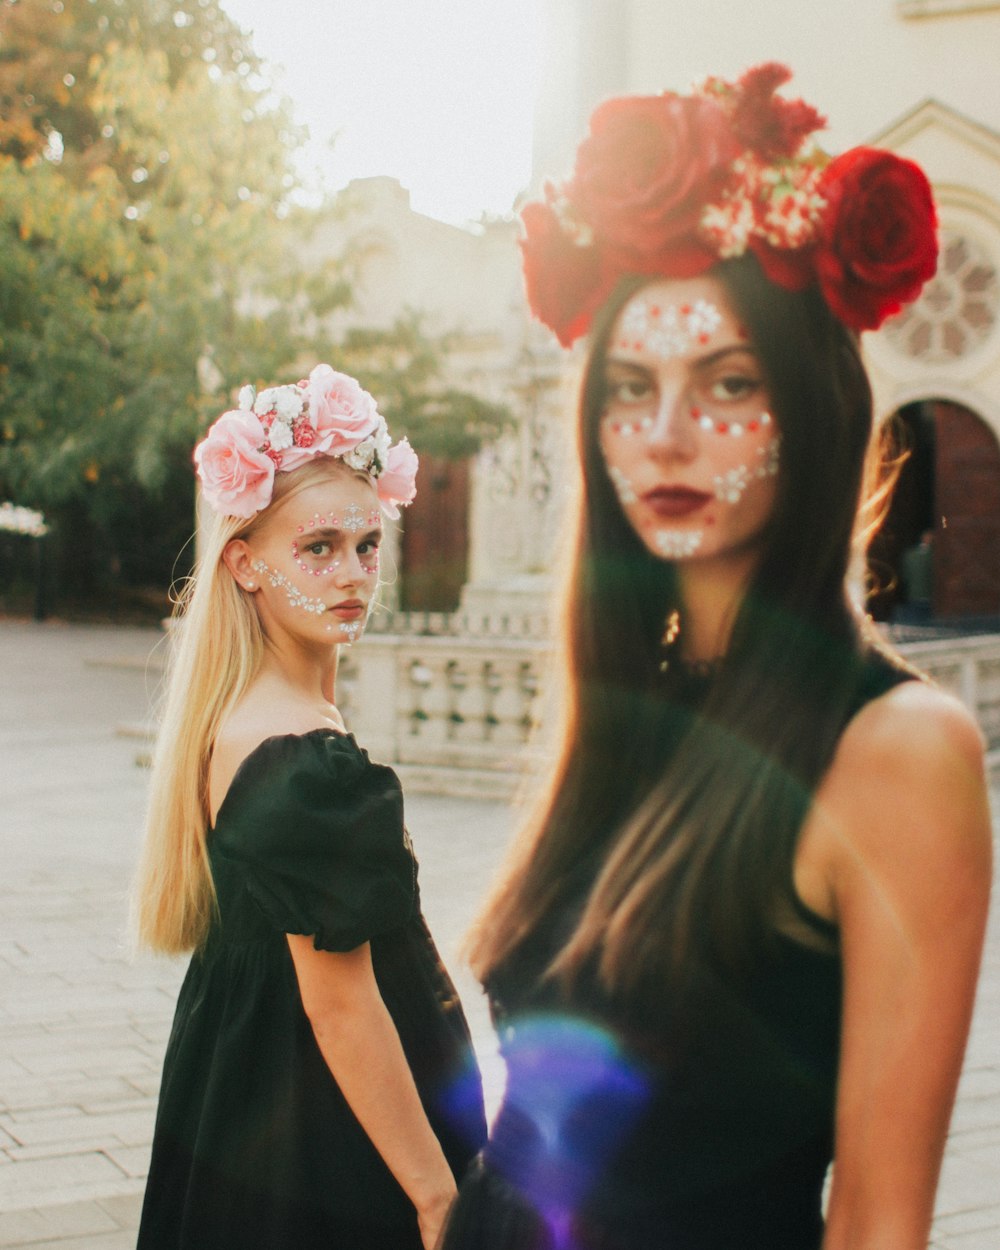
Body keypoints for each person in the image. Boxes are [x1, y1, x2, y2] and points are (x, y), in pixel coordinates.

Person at [441, 65, 993, 1250]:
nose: (669, 434)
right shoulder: (630, 698)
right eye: (630, 390)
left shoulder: (895, 750)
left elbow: (880, 1218)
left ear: (810, 410)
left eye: (726, 382)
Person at [133, 364, 486, 1249]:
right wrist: (438, 1195)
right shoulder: (303, 762)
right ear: (245, 564)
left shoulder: (243, 713)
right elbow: (343, 1006)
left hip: (241, 1092)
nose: (353, 575)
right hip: (319, 1130)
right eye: (317, 548)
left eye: (368, 546)